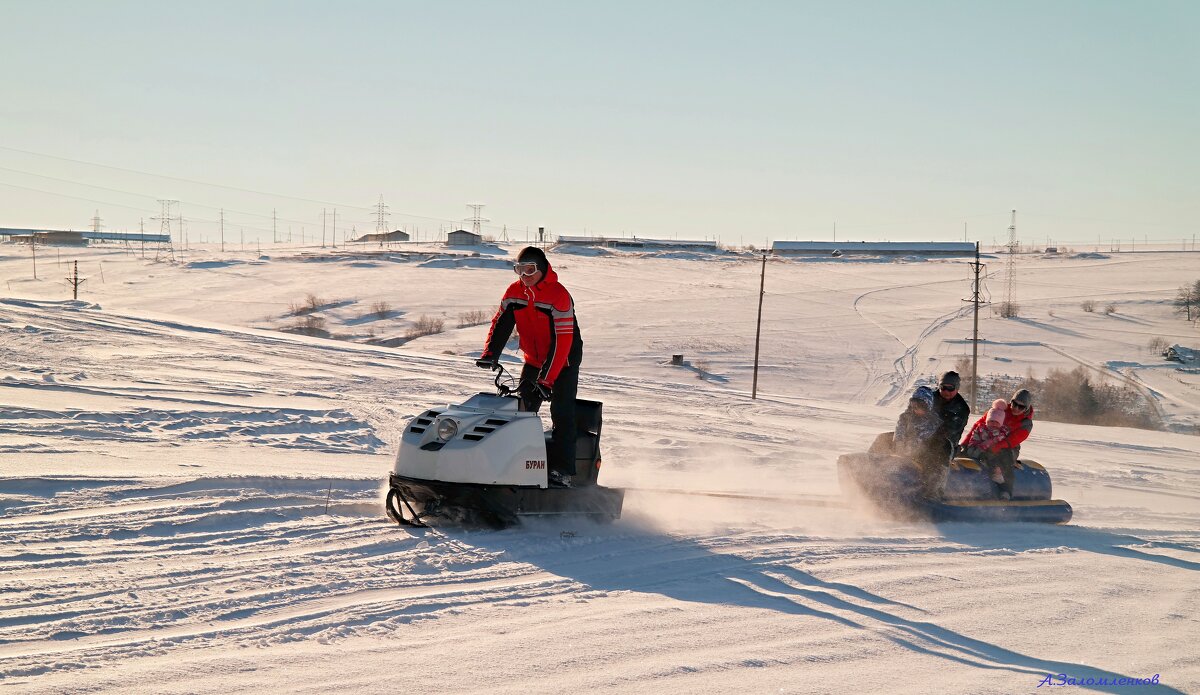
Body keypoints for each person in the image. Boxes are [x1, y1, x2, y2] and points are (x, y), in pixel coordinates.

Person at [476, 246, 583, 487]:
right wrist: (490, 353)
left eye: (530, 270)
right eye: (519, 270)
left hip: (563, 360)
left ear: (542, 268)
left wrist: (547, 380)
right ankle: (517, 465)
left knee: (561, 412)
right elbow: (501, 322)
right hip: (534, 359)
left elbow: (562, 340)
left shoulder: (559, 296)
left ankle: (563, 472)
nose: (525, 276)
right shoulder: (515, 292)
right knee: (521, 410)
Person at [960, 389, 1034, 500]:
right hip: (985, 441)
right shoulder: (1000, 409)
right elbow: (979, 425)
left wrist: (998, 446)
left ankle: (1005, 490)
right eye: (1014, 404)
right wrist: (965, 443)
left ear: (1026, 408)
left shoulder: (1026, 423)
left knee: (1004, 459)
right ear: (1011, 401)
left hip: (1009, 447)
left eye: (1021, 407)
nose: (1016, 408)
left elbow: (1015, 439)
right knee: (966, 452)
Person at [893, 386, 948, 497]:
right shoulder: (905, 417)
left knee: (938, 456)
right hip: (904, 450)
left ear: (928, 407)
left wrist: (920, 451)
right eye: (914, 405)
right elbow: (899, 432)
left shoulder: (934, 422)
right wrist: (899, 447)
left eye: (921, 406)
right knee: (883, 439)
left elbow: (933, 442)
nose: (916, 409)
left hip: (924, 454)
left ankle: (931, 491)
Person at [932, 371, 971, 457]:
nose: (946, 391)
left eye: (950, 388)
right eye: (943, 387)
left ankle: (936, 469)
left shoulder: (962, 408)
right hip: (922, 435)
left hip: (946, 445)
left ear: (957, 388)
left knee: (937, 443)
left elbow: (950, 431)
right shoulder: (930, 398)